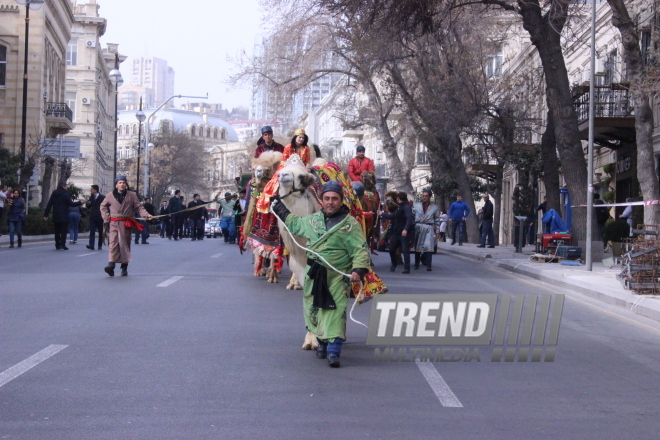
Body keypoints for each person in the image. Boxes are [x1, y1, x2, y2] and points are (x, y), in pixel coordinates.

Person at [271, 180, 370, 368]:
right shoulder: (313, 221)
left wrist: (358, 269)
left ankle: (334, 352)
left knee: (335, 312)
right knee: (314, 310)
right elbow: (293, 224)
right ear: (322, 200)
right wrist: (277, 205)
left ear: (341, 201)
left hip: (337, 277)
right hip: (314, 275)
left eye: (334, 198)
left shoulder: (350, 225)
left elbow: (360, 250)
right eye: (327, 198)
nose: (330, 202)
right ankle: (322, 345)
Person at [100, 175, 153, 276]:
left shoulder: (132, 195)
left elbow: (139, 207)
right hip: (114, 223)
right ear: (116, 185)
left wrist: (146, 215)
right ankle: (111, 265)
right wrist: (106, 217)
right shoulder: (110, 195)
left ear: (126, 184)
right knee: (113, 243)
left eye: (123, 182)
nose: (122, 184)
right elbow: (103, 206)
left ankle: (124, 267)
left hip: (126, 223)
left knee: (124, 245)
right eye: (120, 182)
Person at [379, 192, 413, 274]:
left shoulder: (406, 207)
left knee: (405, 251)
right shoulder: (398, 207)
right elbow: (392, 216)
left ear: (398, 198)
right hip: (396, 233)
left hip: (404, 233)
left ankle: (407, 268)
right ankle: (394, 263)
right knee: (391, 249)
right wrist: (382, 214)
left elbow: (409, 219)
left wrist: (405, 229)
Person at [43, 183, 83, 250]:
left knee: (57, 231)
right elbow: (71, 204)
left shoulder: (54, 194)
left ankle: (57, 245)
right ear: (63, 186)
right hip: (64, 215)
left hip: (56, 215)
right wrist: (80, 202)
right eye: (66, 186)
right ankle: (63, 244)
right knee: (63, 231)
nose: (67, 187)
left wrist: (46, 214)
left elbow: (49, 204)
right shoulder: (65, 194)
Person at [412, 189, 441, 271]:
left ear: (430, 197)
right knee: (417, 247)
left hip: (429, 227)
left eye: (426, 196)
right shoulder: (416, 205)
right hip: (418, 227)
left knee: (429, 247)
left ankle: (429, 265)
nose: (424, 197)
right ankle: (416, 264)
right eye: (423, 196)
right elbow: (412, 216)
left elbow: (437, 220)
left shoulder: (434, 207)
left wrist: (437, 231)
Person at [86, 185, 105, 250]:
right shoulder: (91, 197)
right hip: (93, 216)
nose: (90, 190)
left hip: (100, 217)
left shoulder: (102, 197)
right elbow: (88, 207)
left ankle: (100, 245)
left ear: (95, 190)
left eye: (92, 189)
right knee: (92, 231)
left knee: (100, 231)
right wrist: (88, 204)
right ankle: (91, 245)